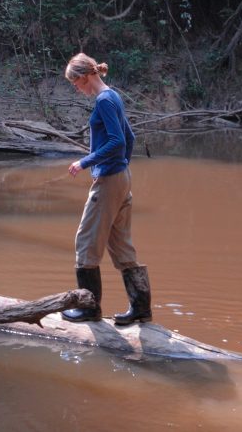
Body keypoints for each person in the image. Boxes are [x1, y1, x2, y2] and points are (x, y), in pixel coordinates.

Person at [61, 52, 152, 326]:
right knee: (121, 245)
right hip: (121, 177)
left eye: (75, 83)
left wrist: (85, 163)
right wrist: (121, 167)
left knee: (85, 242)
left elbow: (116, 142)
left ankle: (89, 308)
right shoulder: (113, 96)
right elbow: (129, 137)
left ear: (86, 76)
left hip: (111, 180)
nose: (76, 89)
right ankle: (141, 310)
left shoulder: (103, 101)